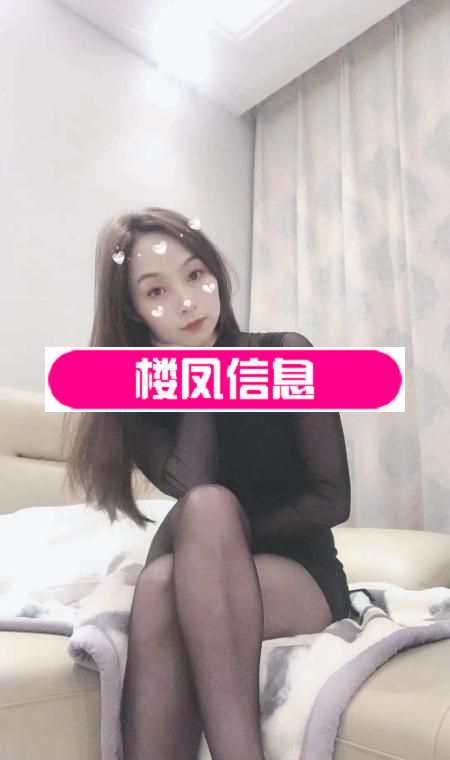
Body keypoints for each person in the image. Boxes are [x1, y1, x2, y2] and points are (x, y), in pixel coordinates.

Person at [62, 207, 351, 760]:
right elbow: (193, 485)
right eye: (157, 292)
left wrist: (227, 542)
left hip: (301, 572)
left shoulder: (285, 354)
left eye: (195, 275)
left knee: (174, 569)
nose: (187, 301)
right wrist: (199, 374)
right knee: (193, 533)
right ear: (134, 311)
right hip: (196, 565)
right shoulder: (138, 398)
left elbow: (332, 499)